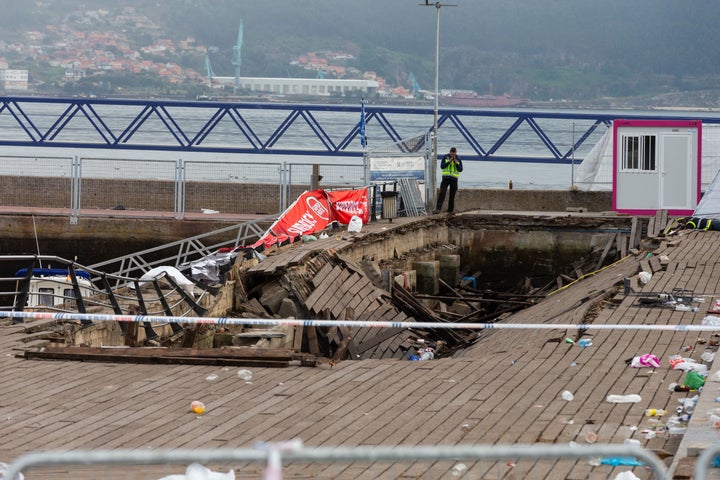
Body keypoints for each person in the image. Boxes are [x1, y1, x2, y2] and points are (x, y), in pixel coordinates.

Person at [435, 147, 463, 213]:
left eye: (454, 154)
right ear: (450, 152)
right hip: (445, 178)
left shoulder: (458, 159)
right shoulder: (445, 157)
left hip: (454, 179)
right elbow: (442, 166)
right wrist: (449, 162)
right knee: (442, 193)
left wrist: (456, 164)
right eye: (451, 154)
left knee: (452, 195)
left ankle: (450, 211)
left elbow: (460, 169)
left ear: (456, 153)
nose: (452, 155)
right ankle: (438, 209)